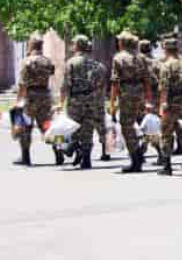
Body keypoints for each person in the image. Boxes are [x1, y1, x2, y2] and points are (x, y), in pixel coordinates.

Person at [109, 31, 152, 173]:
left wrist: (112, 102)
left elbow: (115, 82)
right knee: (141, 124)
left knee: (127, 126)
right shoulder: (141, 58)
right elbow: (147, 79)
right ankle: (141, 151)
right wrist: (148, 98)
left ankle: (136, 158)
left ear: (122, 43)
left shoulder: (119, 58)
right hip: (140, 94)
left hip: (127, 94)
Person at [58, 35, 102, 170]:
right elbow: (100, 84)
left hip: (75, 100)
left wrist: (61, 102)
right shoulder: (96, 64)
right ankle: (86, 159)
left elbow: (66, 85)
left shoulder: (71, 62)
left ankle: (73, 147)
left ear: (77, 46)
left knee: (73, 127)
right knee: (88, 129)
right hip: (91, 100)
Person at [157, 37, 182, 176]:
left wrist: (161, 106)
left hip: (171, 102)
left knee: (166, 133)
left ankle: (166, 165)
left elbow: (164, 88)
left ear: (165, 49)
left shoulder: (166, 66)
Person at [14, 34, 57, 166]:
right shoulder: (48, 61)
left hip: (30, 96)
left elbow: (22, 84)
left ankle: (25, 157)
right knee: (47, 126)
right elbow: (51, 74)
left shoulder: (26, 62)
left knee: (25, 127)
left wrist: (18, 102)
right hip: (45, 95)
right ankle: (59, 152)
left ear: (31, 45)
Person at [87, 41, 111, 162]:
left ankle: (85, 154)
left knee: (86, 127)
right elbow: (104, 84)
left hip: (85, 100)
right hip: (98, 100)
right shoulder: (100, 67)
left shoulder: (80, 65)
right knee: (102, 127)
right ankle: (106, 151)